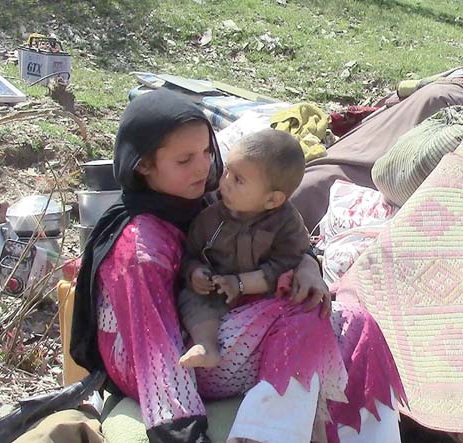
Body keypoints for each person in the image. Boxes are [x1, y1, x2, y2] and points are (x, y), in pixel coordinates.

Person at [71, 89, 405, 443]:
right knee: (305, 318)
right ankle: (264, 434)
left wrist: (308, 265)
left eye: (205, 151)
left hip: (212, 320)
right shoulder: (140, 247)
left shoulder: (204, 195)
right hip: (165, 357)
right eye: (185, 160)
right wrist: (183, 432)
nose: (203, 167)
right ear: (143, 166)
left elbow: (280, 234)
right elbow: (156, 354)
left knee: (359, 324)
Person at [178, 129, 309, 369]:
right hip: (216, 294)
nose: (225, 182)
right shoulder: (210, 216)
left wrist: (239, 283)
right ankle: (206, 346)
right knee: (191, 298)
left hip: (263, 295)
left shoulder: (287, 224)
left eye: (238, 180)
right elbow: (190, 254)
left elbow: (288, 263)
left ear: (272, 200)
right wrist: (195, 273)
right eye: (227, 171)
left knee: (296, 304)